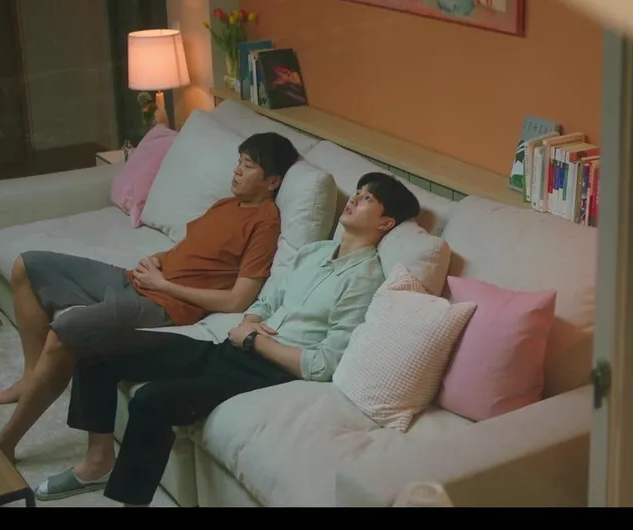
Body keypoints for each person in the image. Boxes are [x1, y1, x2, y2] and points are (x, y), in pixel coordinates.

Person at [33, 172, 421, 504]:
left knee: (151, 400)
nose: (354, 199)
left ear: (385, 223)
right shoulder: (314, 253)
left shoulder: (364, 279)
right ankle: (97, 462)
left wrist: (254, 340)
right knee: (96, 351)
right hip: (233, 345)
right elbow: (267, 300)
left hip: (269, 370)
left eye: (367, 199)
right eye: (357, 192)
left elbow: (324, 364)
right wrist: (250, 321)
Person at [0, 132, 300, 462]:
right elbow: (190, 251)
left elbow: (237, 300)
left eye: (248, 166)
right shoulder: (226, 204)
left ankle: (6, 441)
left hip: (162, 303)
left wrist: (163, 285)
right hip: (138, 278)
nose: (236, 170)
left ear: (273, 181)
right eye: (238, 162)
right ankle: (30, 378)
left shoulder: (265, 222)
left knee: (65, 331)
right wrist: (158, 259)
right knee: (27, 266)